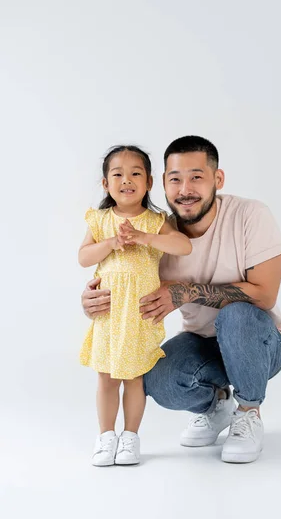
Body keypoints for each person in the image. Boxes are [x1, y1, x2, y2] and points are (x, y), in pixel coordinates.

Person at [82, 136, 281, 464]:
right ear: (162, 184)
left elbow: (264, 294)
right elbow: (127, 281)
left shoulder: (249, 215)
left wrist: (187, 291)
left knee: (235, 315)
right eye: (175, 179)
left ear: (217, 179)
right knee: (154, 374)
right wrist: (93, 298)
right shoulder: (157, 235)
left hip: (259, 342)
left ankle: (249, 411)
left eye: (197, 177)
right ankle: (216, 407)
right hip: (202, 343)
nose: (186, 189)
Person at [79, 145, 192, 467]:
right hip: (109, 315)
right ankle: (105, 436)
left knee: (135, 378)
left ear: (149, 182)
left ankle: (130, 436)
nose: (126, 180)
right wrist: (113, 242)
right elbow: (83, 257)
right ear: (105, 184)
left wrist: (144, 237)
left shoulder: (155, 222)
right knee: (106, 377)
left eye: (135, 173)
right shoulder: (100, 220)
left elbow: (182, 246)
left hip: (141, 314)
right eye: (118, 174)